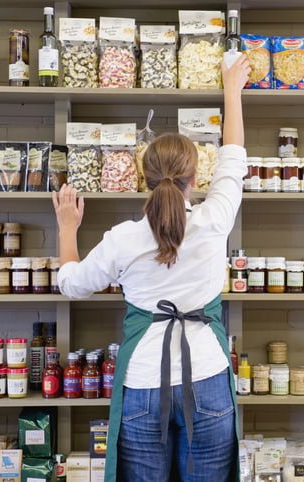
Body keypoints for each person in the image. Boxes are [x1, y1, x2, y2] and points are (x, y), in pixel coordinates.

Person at [53, 55, 251, 482]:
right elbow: (234, 158)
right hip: (208, 378)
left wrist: (68, 228)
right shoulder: (214, 219)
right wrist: (231, 90)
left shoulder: (122, 238)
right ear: (195, 177)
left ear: (144, 179)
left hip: (143, 383)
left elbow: (71, 284)